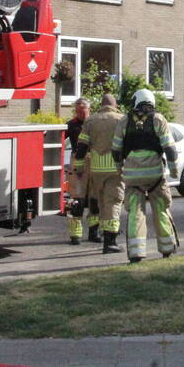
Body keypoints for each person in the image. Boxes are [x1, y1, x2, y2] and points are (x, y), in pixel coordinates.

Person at [112, 89, 178, 263]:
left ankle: (136, 253)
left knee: (136, 213)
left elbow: (116, 150)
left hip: (133, 178)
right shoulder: (158, 120)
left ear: (135, 102)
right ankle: (167, 249)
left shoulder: (124, 121)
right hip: (155, 176)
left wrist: (119, 169)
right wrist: (174, 169)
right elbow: (170, 149)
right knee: (161, 209)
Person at [75, 93, 125, 252]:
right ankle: (110, 242)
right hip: (114, 169)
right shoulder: (121, 119)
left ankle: (99, 232)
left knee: (100, 202)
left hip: (96, 169)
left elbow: (81, 146)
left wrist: (79, 167)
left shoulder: (90, 121)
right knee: (113, 202)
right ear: (115, 105)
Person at [65, 97, 90, 245]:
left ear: (89, 110)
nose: (80, 114)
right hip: (76, 162)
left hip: (92, 160)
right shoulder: (71, 125)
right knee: (77, 199)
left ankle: (94, 232)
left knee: (94, 199)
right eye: (78, 111)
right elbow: (59, 137)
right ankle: (76, 235)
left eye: (83, 110)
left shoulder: (93, 124)